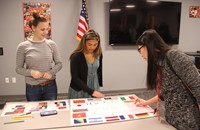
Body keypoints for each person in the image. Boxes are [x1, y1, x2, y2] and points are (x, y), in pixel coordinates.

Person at [135, 29, 200, 130]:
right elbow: (165, 92)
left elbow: (198, 88)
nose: (140, 54)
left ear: (149, 46)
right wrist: (146, 102)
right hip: (172, 121)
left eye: (140, 50)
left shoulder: (174, 56)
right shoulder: (160, 63)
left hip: (189, 122)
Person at [16, 11, 62, 101]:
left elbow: (59, 64)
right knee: (34, 113)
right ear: (33, 28)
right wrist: (31, 73)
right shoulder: (22, 46)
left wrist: (51, 73)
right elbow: (18, 68)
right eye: (42, 29)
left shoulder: (52, 44)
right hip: (32, 88)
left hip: (50, 86)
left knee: (51, 112)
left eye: (47, 29)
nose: (46, 32)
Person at [68, 29, 104, 99]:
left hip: (94, 86)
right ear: (84, 43)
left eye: (95, 45)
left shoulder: (99, 54)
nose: (92, 47)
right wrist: (91, 92)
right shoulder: (76, 56)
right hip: (79, 89)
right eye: (89, 44)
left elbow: (99, 72)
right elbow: (75, 78)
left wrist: (96, 89)